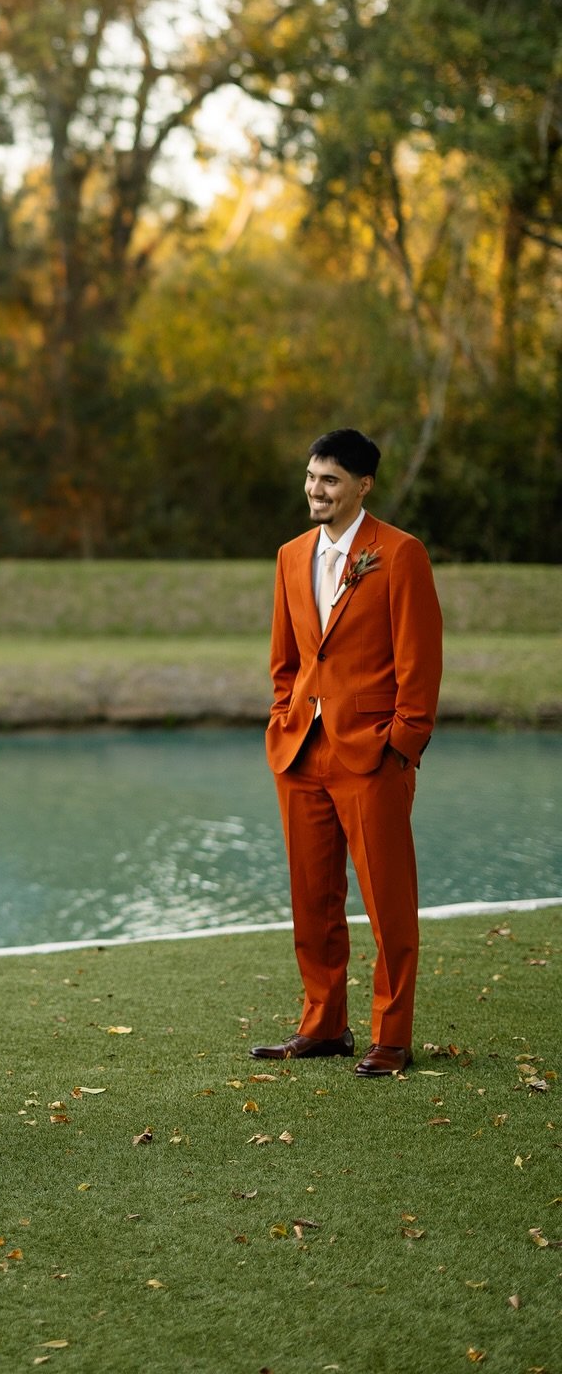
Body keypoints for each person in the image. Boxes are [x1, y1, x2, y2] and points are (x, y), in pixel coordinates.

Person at [250, 428, 443, 1078]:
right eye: (311, 477)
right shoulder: (289, 555)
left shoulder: (400, 554)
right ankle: (324, 1026)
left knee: (388, 902)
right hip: (301, 752)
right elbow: (286, 660)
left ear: (363, 486)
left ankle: (392, 1036)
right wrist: (284, 715)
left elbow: (420, 663)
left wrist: (403, 745)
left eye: (329, 479)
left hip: (373, 757)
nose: (315, 489)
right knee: (313, 899)